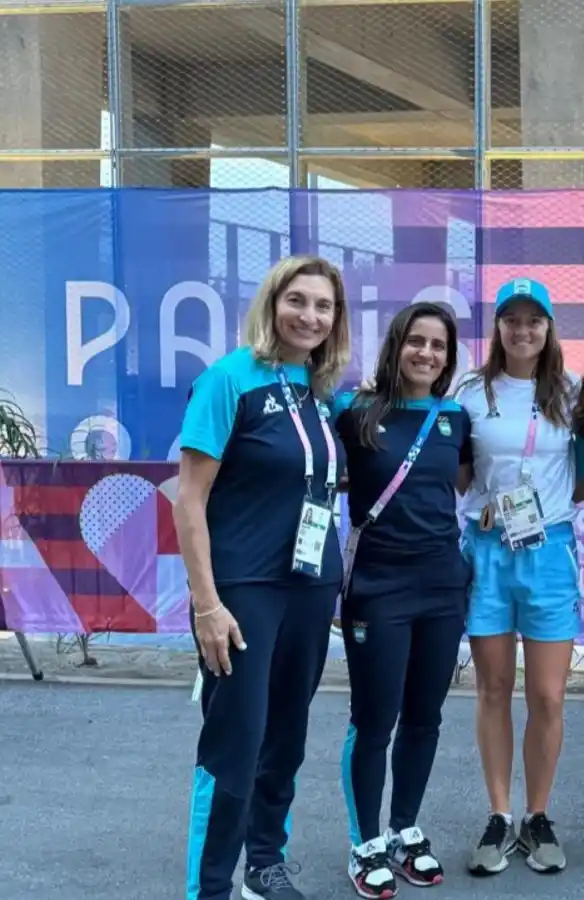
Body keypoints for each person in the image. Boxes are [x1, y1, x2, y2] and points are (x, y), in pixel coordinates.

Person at [173, 255, 350, 900]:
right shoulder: (228, 379)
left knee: (286, 735)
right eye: (297, 300)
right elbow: (188, 499)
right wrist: (206, 605)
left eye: (323, 306)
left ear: (336, 319)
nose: (309, 315)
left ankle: (264, 863)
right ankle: (209, 886)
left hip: (308, 589)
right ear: (272, 303)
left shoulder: (321, 391)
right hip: (242, 592)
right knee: (235, 740)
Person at [332, 302, 473, 898]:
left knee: (425, 718)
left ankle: (405, 829)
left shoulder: (456, 418)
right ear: (397, 345)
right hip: (378, 590)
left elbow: (462, 484)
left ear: (449, 357)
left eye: (438, 346)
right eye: (416, 341)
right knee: (373, 722)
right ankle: (365, 845)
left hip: (443, 586)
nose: (427, 354)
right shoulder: (355, 410)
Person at [456, 278, 580, 877]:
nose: (523, 329)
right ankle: (500, 817)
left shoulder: (571, 396)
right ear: (498, 327)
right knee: (493, 689)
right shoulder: (471, 394)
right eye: (511, 319)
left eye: (534, 319)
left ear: (549, 327)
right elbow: (456, 475)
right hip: (487, 552)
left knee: (549, 694)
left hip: (549, 550)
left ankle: (538, 815)